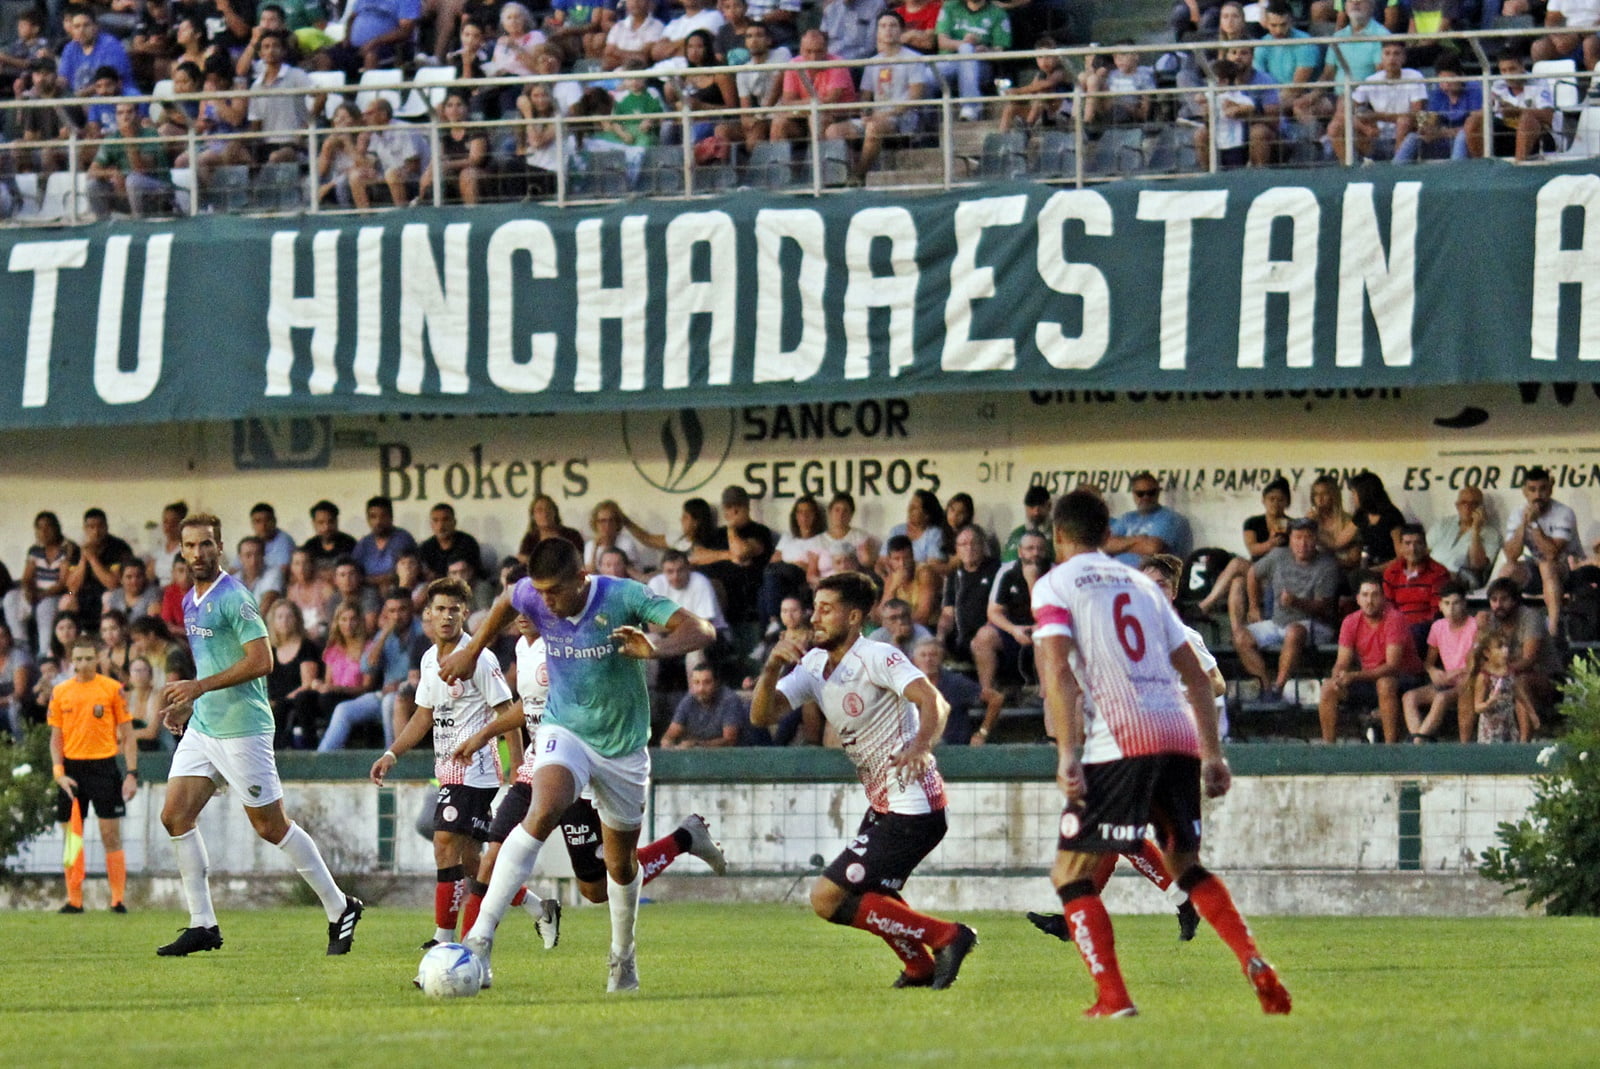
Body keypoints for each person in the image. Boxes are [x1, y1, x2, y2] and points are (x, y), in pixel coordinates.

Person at [1031, 489, 1289, 1018]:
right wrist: (1213, 755)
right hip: (1178, 734)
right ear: (1108, 536)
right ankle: (1254, 959)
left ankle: (1114, 998)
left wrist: (1067, 752)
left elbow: (1058, 671)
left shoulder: (1054, 584)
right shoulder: (1142, 585)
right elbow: (1196, 674)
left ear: (1059, 535)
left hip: (1121, 738)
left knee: (1070, 874)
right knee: (1186, 865)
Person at [446, 537, 715, 992]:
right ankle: (480, 937)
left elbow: (701, 630)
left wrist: (654, 645)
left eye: (556, 591)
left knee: (620, 866)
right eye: (541, 590)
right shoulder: (532, 594)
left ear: (581, 579)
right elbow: (508, 600)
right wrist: (471, 652)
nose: (545, 601)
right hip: (563, 729)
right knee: (542, 807)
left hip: (622, 747)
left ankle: (622, 957)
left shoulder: (622, 595)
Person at [751, 571, 978, 989]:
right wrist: (769, 670)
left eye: (826, 609)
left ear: (854, 617)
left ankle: (947, 936)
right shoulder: (815, 664)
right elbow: (763, 716)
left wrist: (921, 744)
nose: (814, 617)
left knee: (826, 898)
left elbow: (934, 701)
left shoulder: (878, 656)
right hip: (885, 804)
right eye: (814, 607)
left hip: (914, 808)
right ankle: (919, 967)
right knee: (869, 893)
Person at [156, 513, 363, 957]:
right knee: (175, 816)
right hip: (206, 725)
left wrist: (197, 687)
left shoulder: (235, 597)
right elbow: (213, 665)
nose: (197, 553)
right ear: (181, 550)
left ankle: (339, 904)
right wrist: (191, 701)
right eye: (189, 546)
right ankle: (202, 924)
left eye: (206, 544)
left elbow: (262, 661)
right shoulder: (192, 598)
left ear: (219, 546)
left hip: (243, 729)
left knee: (270, 826)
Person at [455, 616, 728, 950]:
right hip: (535, 768)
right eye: (517, 609)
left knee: (597, 888)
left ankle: (684, 838)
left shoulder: (567, 648)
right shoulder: (522, 649)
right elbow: (529, 708)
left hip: (573, 771)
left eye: (532, 607)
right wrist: (484, 734)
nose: (523, 615)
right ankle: (468, 952)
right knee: (492, 856)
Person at [371, 578, 516, 948]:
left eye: (454, 609)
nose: (447, 616)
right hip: (447, 769)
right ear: (427, 616)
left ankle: (444, 938)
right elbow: (423, 716)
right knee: (472, 860)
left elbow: (508, 713)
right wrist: (392, 753)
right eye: (440, 609)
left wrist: (515, 767)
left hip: (477, 768)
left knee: (443, 842)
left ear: (465, 614)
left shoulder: (479, 658)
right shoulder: (427, 660)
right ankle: (534, 904)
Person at [50, 639, 138, 913]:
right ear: (71, 660)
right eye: (78, 659)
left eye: (89, 658)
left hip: (104, 767)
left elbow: (127, 734)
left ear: (97, 659)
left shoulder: (111, 689)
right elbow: (56, 738)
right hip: (72, 771)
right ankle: (74, 899)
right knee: (72, 837)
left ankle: (118, 899)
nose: (83, 664)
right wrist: (58, 773)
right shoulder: (61, 691)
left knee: (110, 833)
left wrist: (132, 773)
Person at [1231, 518, 1342, 701]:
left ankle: (1279, 688)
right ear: (1290, 538)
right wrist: (1253, 606)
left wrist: (1296, 602)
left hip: (1314, 624)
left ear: (1316, 539)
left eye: (1308, 537)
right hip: (1278, 621)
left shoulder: (1327, 564)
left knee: (1295, 631)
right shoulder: (1278, 555)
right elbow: (1252, 573)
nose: (1303, 543)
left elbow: (1324, 606)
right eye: (1298, 537)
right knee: (1240, 636)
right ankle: (1266, 685)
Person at [1316, 572, 1425, 743]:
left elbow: (1392, 666)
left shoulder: (1394, 619)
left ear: (1383, 598)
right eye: (1365, 595)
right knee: (1328, 688)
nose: (1369, 600)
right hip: (1369, 679)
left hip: (1405, 679)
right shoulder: (1350, 621)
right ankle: (1329, 748)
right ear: (1358, 599)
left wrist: (1353, 676)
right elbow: (1342, 661)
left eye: (1375, 595)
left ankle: (1391, 748)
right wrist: (1338, 675)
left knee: (1385, 683)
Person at [1496, 465, 1576, 637]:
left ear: (1551, 489)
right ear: (1525, 492)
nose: (1538, 495)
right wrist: (1523, 525)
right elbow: (1511, 555)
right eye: (1532, 490)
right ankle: (1502, 626)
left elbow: (1552, 553)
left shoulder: (1563, 513)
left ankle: (1553, 629)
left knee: (1547, 566)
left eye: (1542, 489)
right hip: (1535, 570)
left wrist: (1534, 524)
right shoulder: (1518, 514)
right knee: (1507, 570)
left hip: (1566, 571)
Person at [1195, 476, 1292, 618]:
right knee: (1238, 581)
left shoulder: (1292, 525)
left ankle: (1206, 605)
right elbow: (1252, 548)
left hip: (1277, 578)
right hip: (1254, 573)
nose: (1275, 503)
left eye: (1280, 500)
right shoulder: (1253, 522)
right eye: (1271, 499)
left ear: (1287, 502)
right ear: (1263, 500)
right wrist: (1271, 543)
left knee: (1237, 568)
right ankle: (1237, 632)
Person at [971, 530, 1048, 703]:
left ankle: (1044, 695)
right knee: (983, 637)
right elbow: (993, 611)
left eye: (1040, 549)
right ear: (1020, 552)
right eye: (1030, 548)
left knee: (1043, 635)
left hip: (1043, 628)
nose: (1035, 553)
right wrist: (1013, 630)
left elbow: (1048, 612)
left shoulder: (1054, 571)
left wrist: (1032, 581)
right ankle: (988, 695)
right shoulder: (1007, 571)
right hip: (1013, 631)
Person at [1401, 582, 1477, 743]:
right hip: (1446, 682)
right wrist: (1433, 672)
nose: (1451, 608)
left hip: (1467, 684)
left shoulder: (1474, 626)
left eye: (1456, 603)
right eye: (1447, 603)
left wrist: (1456, 673)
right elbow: (1429, 663)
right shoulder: (1438, 627)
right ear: (1440, 606)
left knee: (1441, 698)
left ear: (1464, 603)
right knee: (1409, 697)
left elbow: (1477, 664)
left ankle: (1417, 743)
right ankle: (1419, 737)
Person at [912, 637, 1001, 746]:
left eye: (933, 655)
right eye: (923, 655)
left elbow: (996, 698)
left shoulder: (956, 682)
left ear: (941, 658)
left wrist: (982, 733)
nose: (928, 660)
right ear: (914, 660)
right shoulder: (906, 685)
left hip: (952, 745)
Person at [1381, 524, 1450, 652]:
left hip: (1425, 628)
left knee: (1414, 632)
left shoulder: (1438, 572)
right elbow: (1388, 607)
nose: (1412, 549)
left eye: (1417, 543)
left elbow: (1437, 612)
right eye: (1407, 543)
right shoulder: (1391, 572)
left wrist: (1407, 627)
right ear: (1400, 547)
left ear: (1425, 546)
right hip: (1397, 626)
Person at [1105, 473, 1193, 568]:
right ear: (1134, 494)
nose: (1146, 497)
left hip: (1154, 578)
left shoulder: (1170, 518)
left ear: (1158, 492)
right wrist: (1139, 540)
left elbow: (1152, 548)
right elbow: (1104, 545)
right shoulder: (1127, 518)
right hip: (1121, 576)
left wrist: (1120, 544)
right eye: (1140, 494)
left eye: (1151, 493)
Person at [1426, 485, 1501, 590]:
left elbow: (1477, 566)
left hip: (1457, 580)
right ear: (1457, 506)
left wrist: (1475, 530)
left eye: (1474, 504)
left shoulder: (1491, 533)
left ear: (1481, 507)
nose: (1468, 507)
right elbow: (1423, 551)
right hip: (1429, 575)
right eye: (1463, 503)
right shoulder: (1444, 524)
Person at [1469, 631, 1535, 743]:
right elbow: (1477, 707)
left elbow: (1519, 694)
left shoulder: (1509, 672)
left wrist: (1532, 713)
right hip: (1491, 729)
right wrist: (1489, 702)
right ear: (1487, 653)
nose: (1505, 651)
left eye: (1506, 646)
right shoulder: (1484, 677)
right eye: (1499, 647)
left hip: (1508, 724)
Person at [662, 662, 745, 747]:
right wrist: (667, 742)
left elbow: (729, 741)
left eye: (707, 682)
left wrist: (696, 744)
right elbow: (672, 731)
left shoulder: (729, 700)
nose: (701, 688)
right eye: (696, 682)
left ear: (717, 683)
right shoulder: (689, 699)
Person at [352, 496, 418, 592]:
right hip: (369, 592)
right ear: (368, 519)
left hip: (399, 589)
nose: (378, 521)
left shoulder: (403, 538)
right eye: (373, 517)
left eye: (383, 516)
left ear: (391, 517)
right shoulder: (364, 543)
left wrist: (386, 581)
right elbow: (354, 574)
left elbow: (411, 570)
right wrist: (378, 581)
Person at [301, 500, 357, 573]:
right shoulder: (309, 547)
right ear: (314, 524)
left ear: (337, 521)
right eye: (321, 523)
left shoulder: (349, 544)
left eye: (331, 522)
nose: (326, 527)